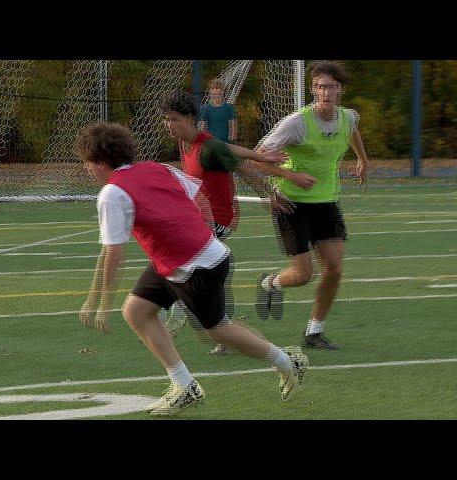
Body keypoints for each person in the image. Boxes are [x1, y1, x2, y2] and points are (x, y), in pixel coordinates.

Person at [75, 122, 308, 416]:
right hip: (184, 259)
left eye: (86, 164)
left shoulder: (112, 194)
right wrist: (202, 232)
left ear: (98, 162)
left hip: (196, 265)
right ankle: (184, 385)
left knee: (218, 330)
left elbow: (114, 254)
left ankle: (287, 361)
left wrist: (102, 301)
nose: (87, 170)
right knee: (136, 310)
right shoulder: (156, 167)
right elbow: (197, 196)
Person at [252, 60, 369, 350]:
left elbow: (353, 131)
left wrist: (362, 160)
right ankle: (270, 283)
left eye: (330, 86)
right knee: (303, 275)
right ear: (313, 89)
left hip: (326, 202)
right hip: (292, 203)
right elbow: (256, 158)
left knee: (335, 269)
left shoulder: (348, 117)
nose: (324, 92)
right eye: (319, 86)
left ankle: (314, 332)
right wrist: (289, 175)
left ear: (340, 89)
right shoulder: (297, 123)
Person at [159, 90, 286, 354]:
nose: (168, 125)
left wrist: (269, 195)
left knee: (186, 264)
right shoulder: (187, 144)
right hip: (199, 218)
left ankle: (182, 306)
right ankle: (222, 332)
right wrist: (261, 155)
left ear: (191, 118)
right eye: (166, 119)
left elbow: (242, 168)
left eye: (174, 119)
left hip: (218, 219)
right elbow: (229, 148)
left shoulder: (208, 147)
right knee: (209, 275)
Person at [199, 78, 237, 144]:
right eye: (212, 89)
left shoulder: (229, 108)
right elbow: (202, 128)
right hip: (210, 143)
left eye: (217, 88)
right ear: (210, 92)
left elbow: (233, 128)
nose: (215, 91)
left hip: (226, 143)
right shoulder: (204, 108)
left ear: (222, 91)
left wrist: (231, 144)